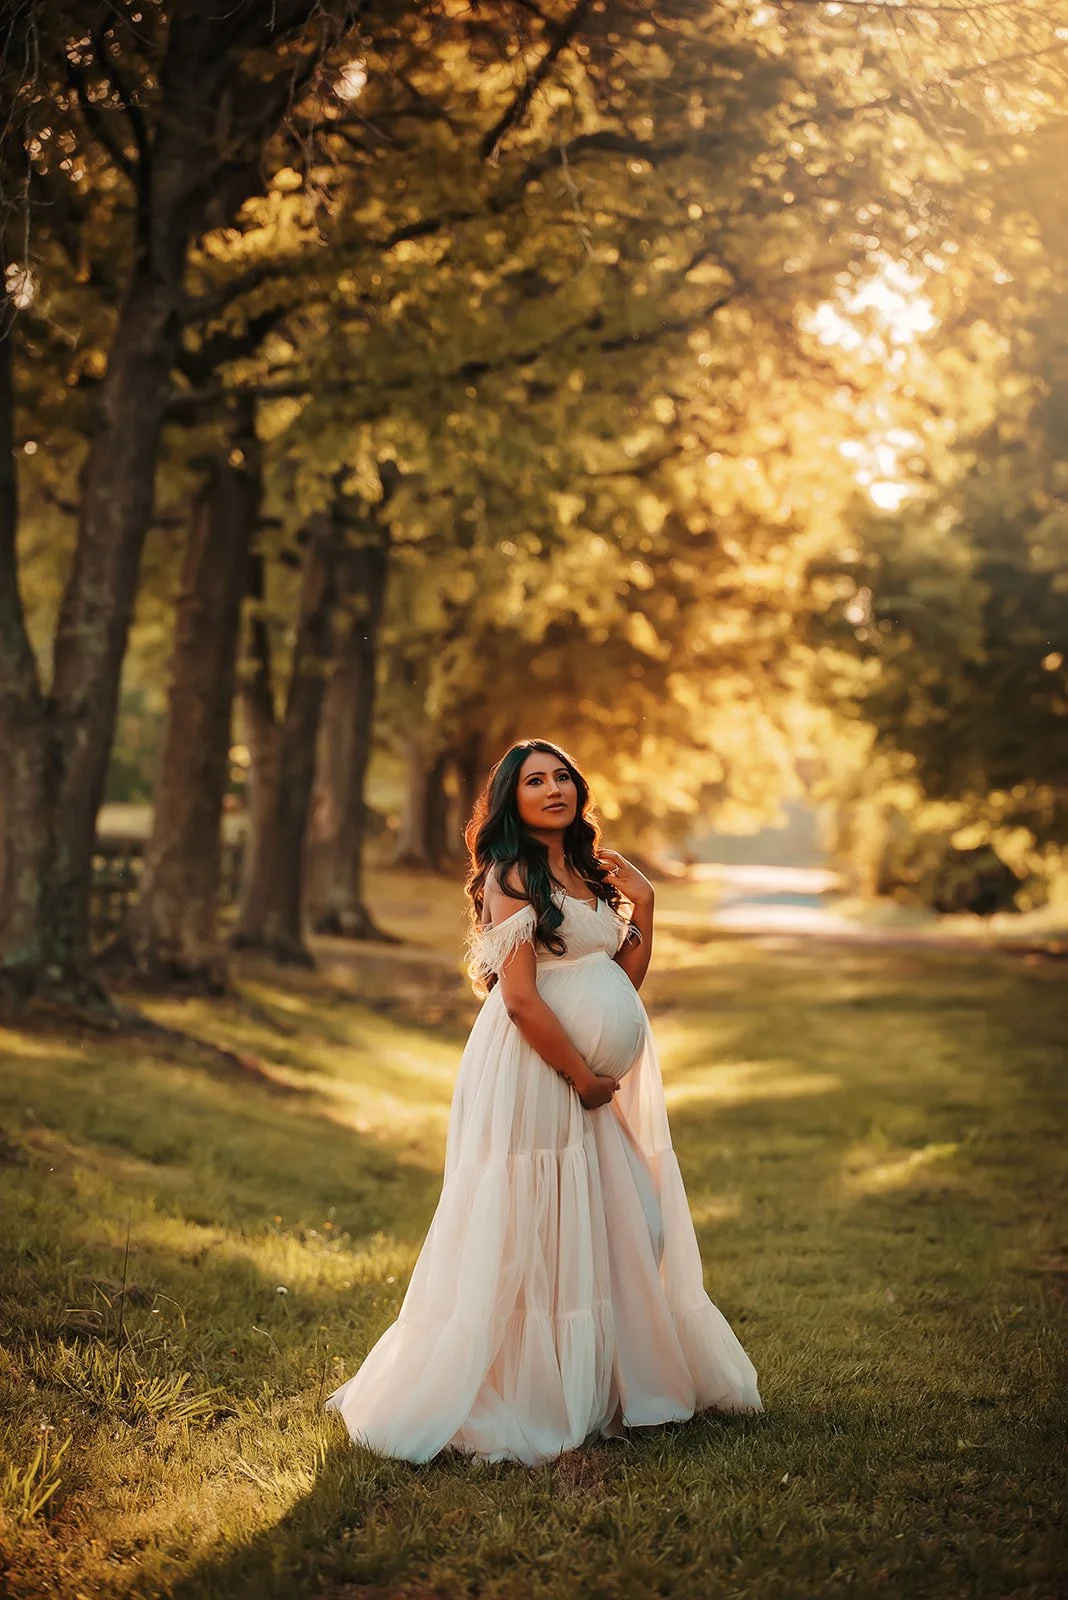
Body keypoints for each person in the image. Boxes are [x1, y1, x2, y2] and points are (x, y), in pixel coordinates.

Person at [325, 738, 762, 1464]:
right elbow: (523, 1001)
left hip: (581, 1071)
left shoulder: (588, 872)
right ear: (511, 798)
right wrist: (581, 1077)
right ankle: (529, 1391)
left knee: (627, 1221)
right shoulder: (510, 875)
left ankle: (604, 1380)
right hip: (534, 1066)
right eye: (535, 781)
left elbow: (621, 979)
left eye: (563, 777)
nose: (554, 788)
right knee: (534, 1221)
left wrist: (645, 906)